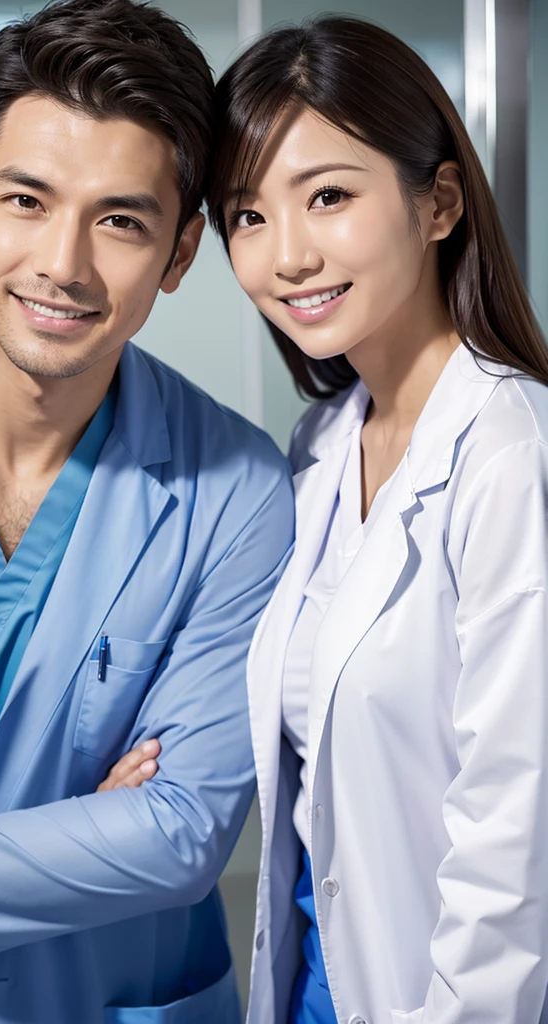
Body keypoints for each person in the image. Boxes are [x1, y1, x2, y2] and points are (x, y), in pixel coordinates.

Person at [0, 2, 294, 1022]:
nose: (63, 263)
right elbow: (126, 844)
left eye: (119, 220)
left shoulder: (237, 489)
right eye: (25, 199)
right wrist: (74, 838)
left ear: (180, 252)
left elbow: (180, 835)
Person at [204, 14, 548, 1024]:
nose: (287, 254)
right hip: (323, 974)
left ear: (436, 200)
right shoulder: (318, 448)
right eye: (247, 214)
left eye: (327, 196)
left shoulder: (511, 454)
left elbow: (513, 836)